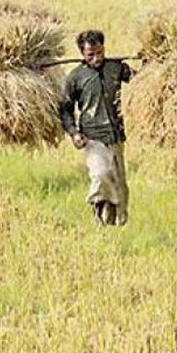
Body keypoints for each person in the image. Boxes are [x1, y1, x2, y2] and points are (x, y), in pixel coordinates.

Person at [59, 30, 134, 226]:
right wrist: (74, 133)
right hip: (92, 137)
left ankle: (115, 224)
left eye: (99, 53)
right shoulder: (76, 77)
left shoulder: (116, 68)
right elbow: (66, 109)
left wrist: (152, 61)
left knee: (118, 184)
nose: (96, 58)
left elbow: (139, 80)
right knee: (100, 175)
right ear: (82, 54)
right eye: (90, 55)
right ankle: (98, 216)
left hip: (116, 135)